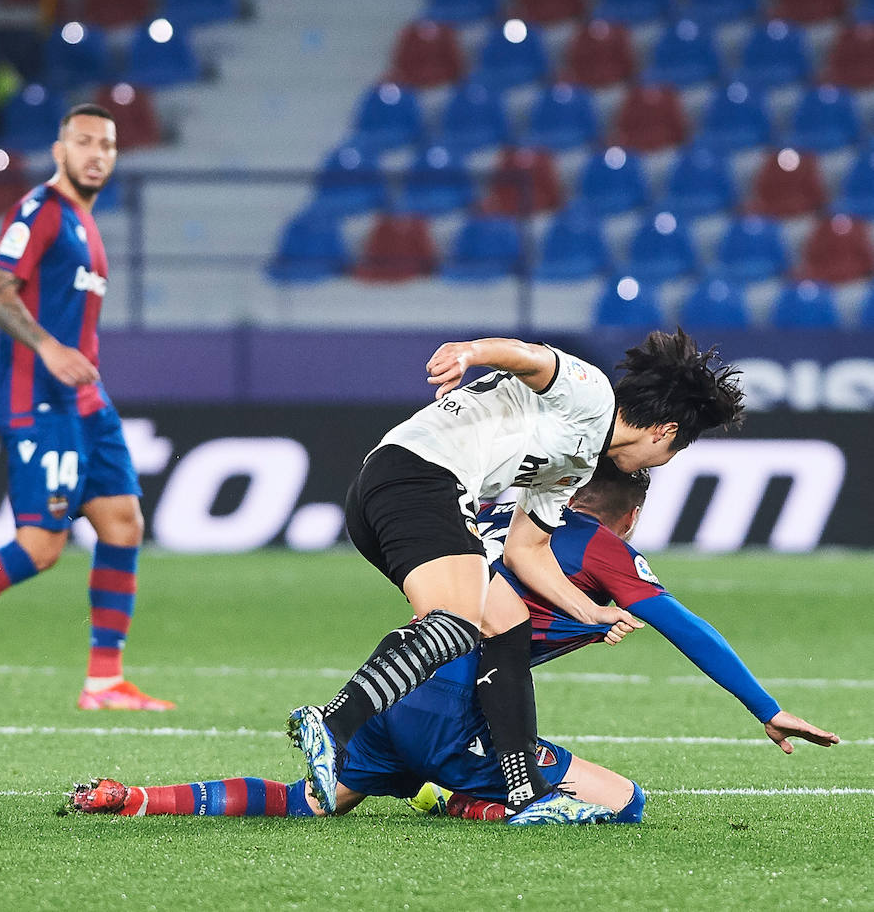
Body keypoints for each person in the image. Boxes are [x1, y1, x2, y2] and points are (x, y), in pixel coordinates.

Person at [67, 461, 839, 820]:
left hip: (398, 677)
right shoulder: (598, 542)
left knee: (312, 801)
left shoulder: (512, 522)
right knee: (626, 805)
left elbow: (510, 602)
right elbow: (688, 627)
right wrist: (766, 708)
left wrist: (580, 620)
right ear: (628, 517)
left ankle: (135, 797)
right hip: (455, 712)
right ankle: (462, 797)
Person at [287, 331, 746, 823]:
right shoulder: (592, 396)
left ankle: (527, 791)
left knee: (505, 618)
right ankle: (333, 724)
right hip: (422, 476)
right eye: (674, 452)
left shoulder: (578, 458)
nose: (663, 464)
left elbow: (527, 551)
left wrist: (588, 609)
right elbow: (531, 357)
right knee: (457, 623)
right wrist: (470, 353)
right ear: (664, 431)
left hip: (392, 487)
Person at [0, 104, 173, 712]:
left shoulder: (86, 224)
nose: (96, 153)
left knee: (123, 522)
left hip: (86, 400)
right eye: (84, 142)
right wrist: (49, 348)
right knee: (41, 547)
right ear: (59, 150)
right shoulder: (41, 211)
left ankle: (104, 680)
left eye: (106, 144)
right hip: (40, 400)